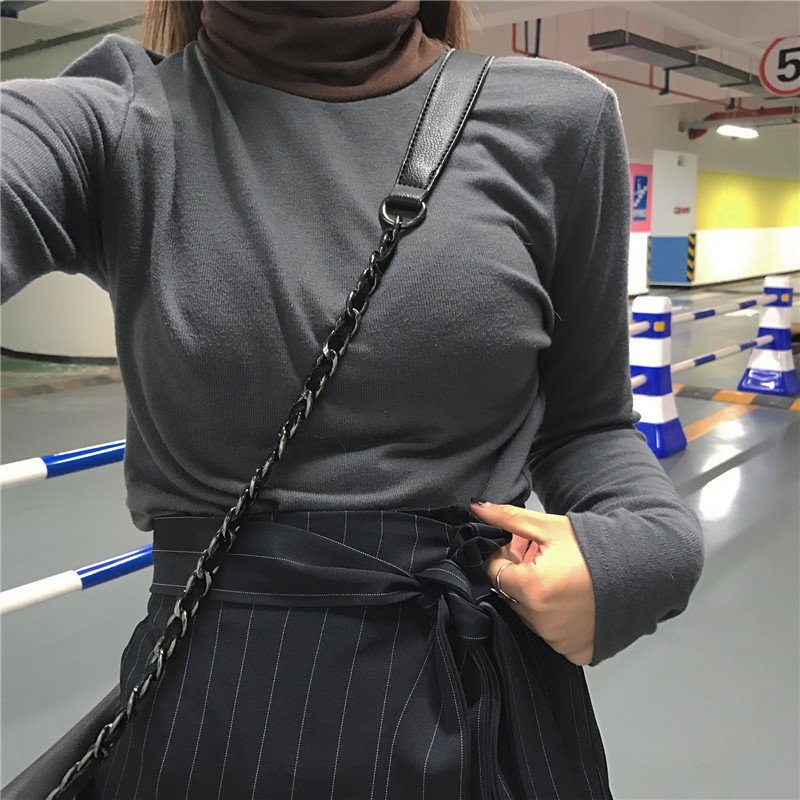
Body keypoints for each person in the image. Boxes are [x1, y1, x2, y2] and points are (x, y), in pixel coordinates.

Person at [1, 2, 703, 797]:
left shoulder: (556, 120)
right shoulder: (122, 118)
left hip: (479, 693)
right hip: (218, 716)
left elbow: (588, 425)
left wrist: (650, 547)